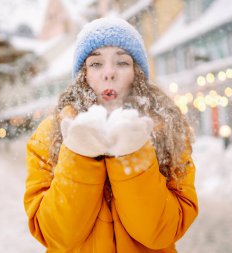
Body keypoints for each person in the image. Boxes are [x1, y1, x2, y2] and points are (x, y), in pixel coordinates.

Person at [24, 17, 198, 253]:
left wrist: (132, 156)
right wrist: (79, 155)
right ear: (83, 74)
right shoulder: (50, 133)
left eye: (122, 62)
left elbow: (161, 232)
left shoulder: (166, 129)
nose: (109, 73)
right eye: (96, 63)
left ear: (136, 72)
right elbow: (55, 234)